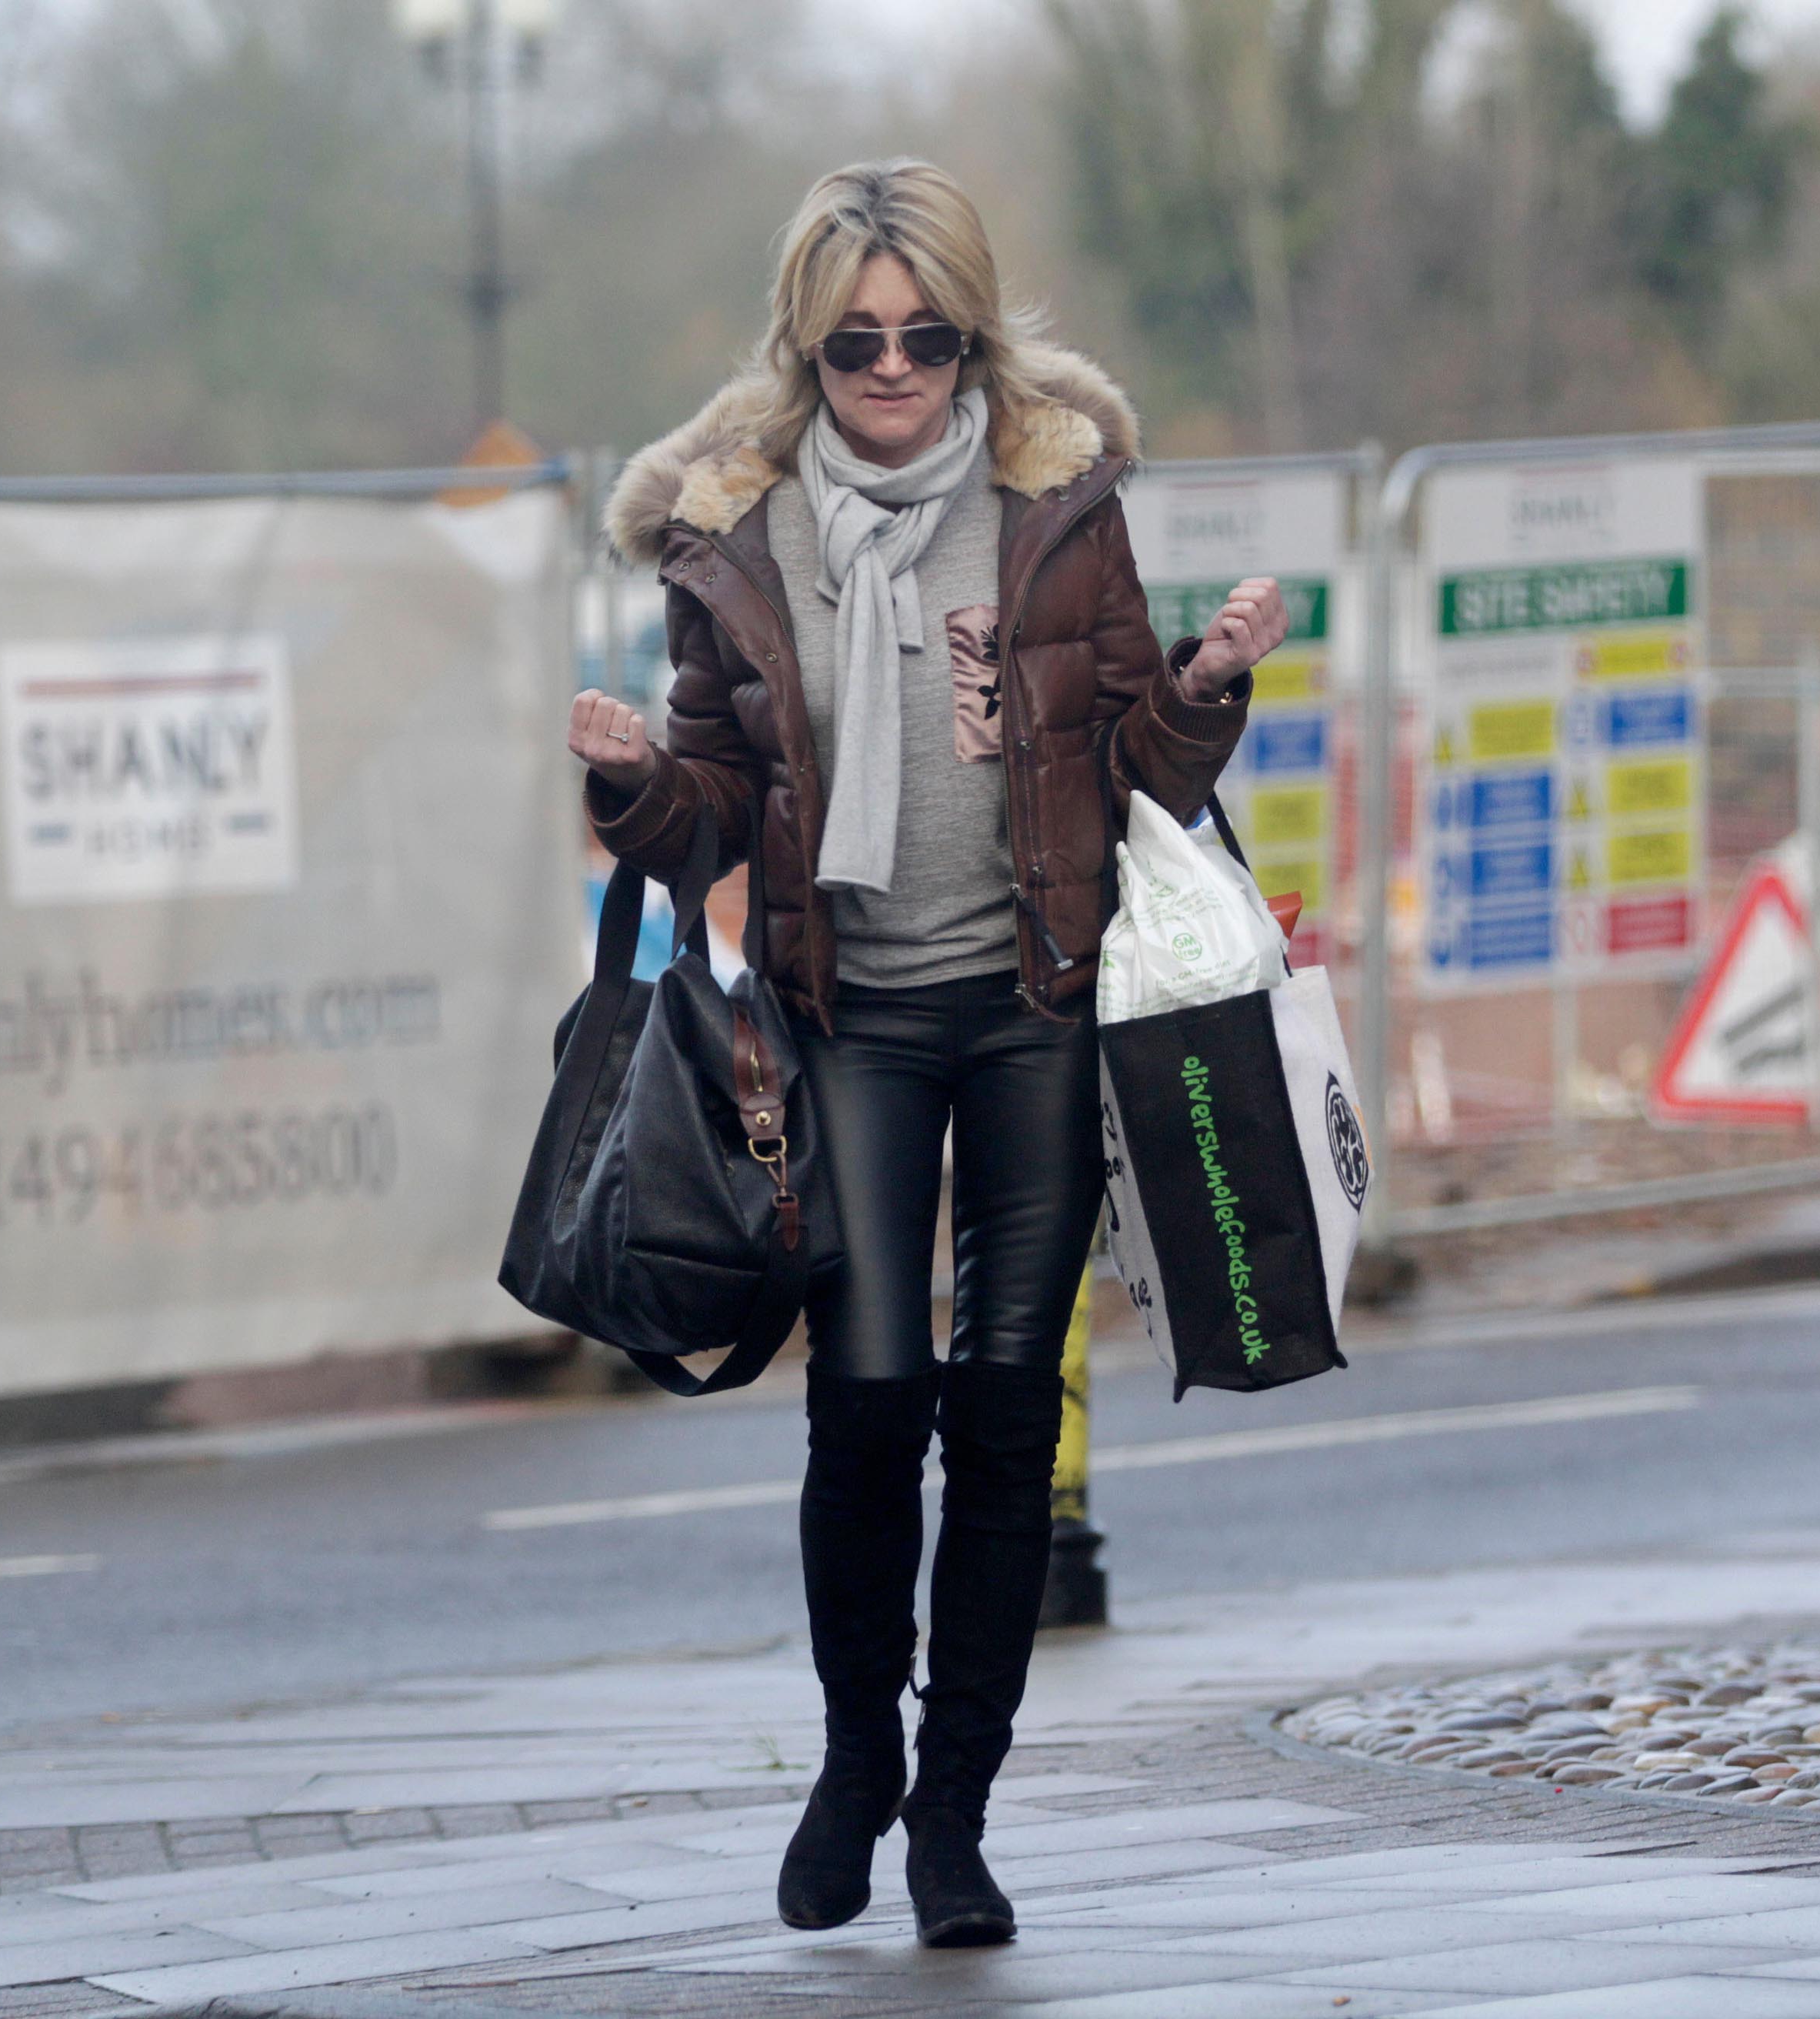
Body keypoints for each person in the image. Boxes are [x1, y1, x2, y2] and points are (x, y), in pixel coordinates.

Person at [566, 159, 1286, 1947]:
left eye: (928, 336)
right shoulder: (737, 533)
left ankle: (956, 1811)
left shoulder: (1057, 499)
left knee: (1006, 1404)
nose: (894, 370)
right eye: (858, 341)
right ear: (808, 344)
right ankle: (850, 1763)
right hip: (856, 1020)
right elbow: (712, 812)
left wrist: (1198, 692)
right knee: (869, 1399)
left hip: (1036, 1004)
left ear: (974, 336)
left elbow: (1137, 764)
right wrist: (635, 784)